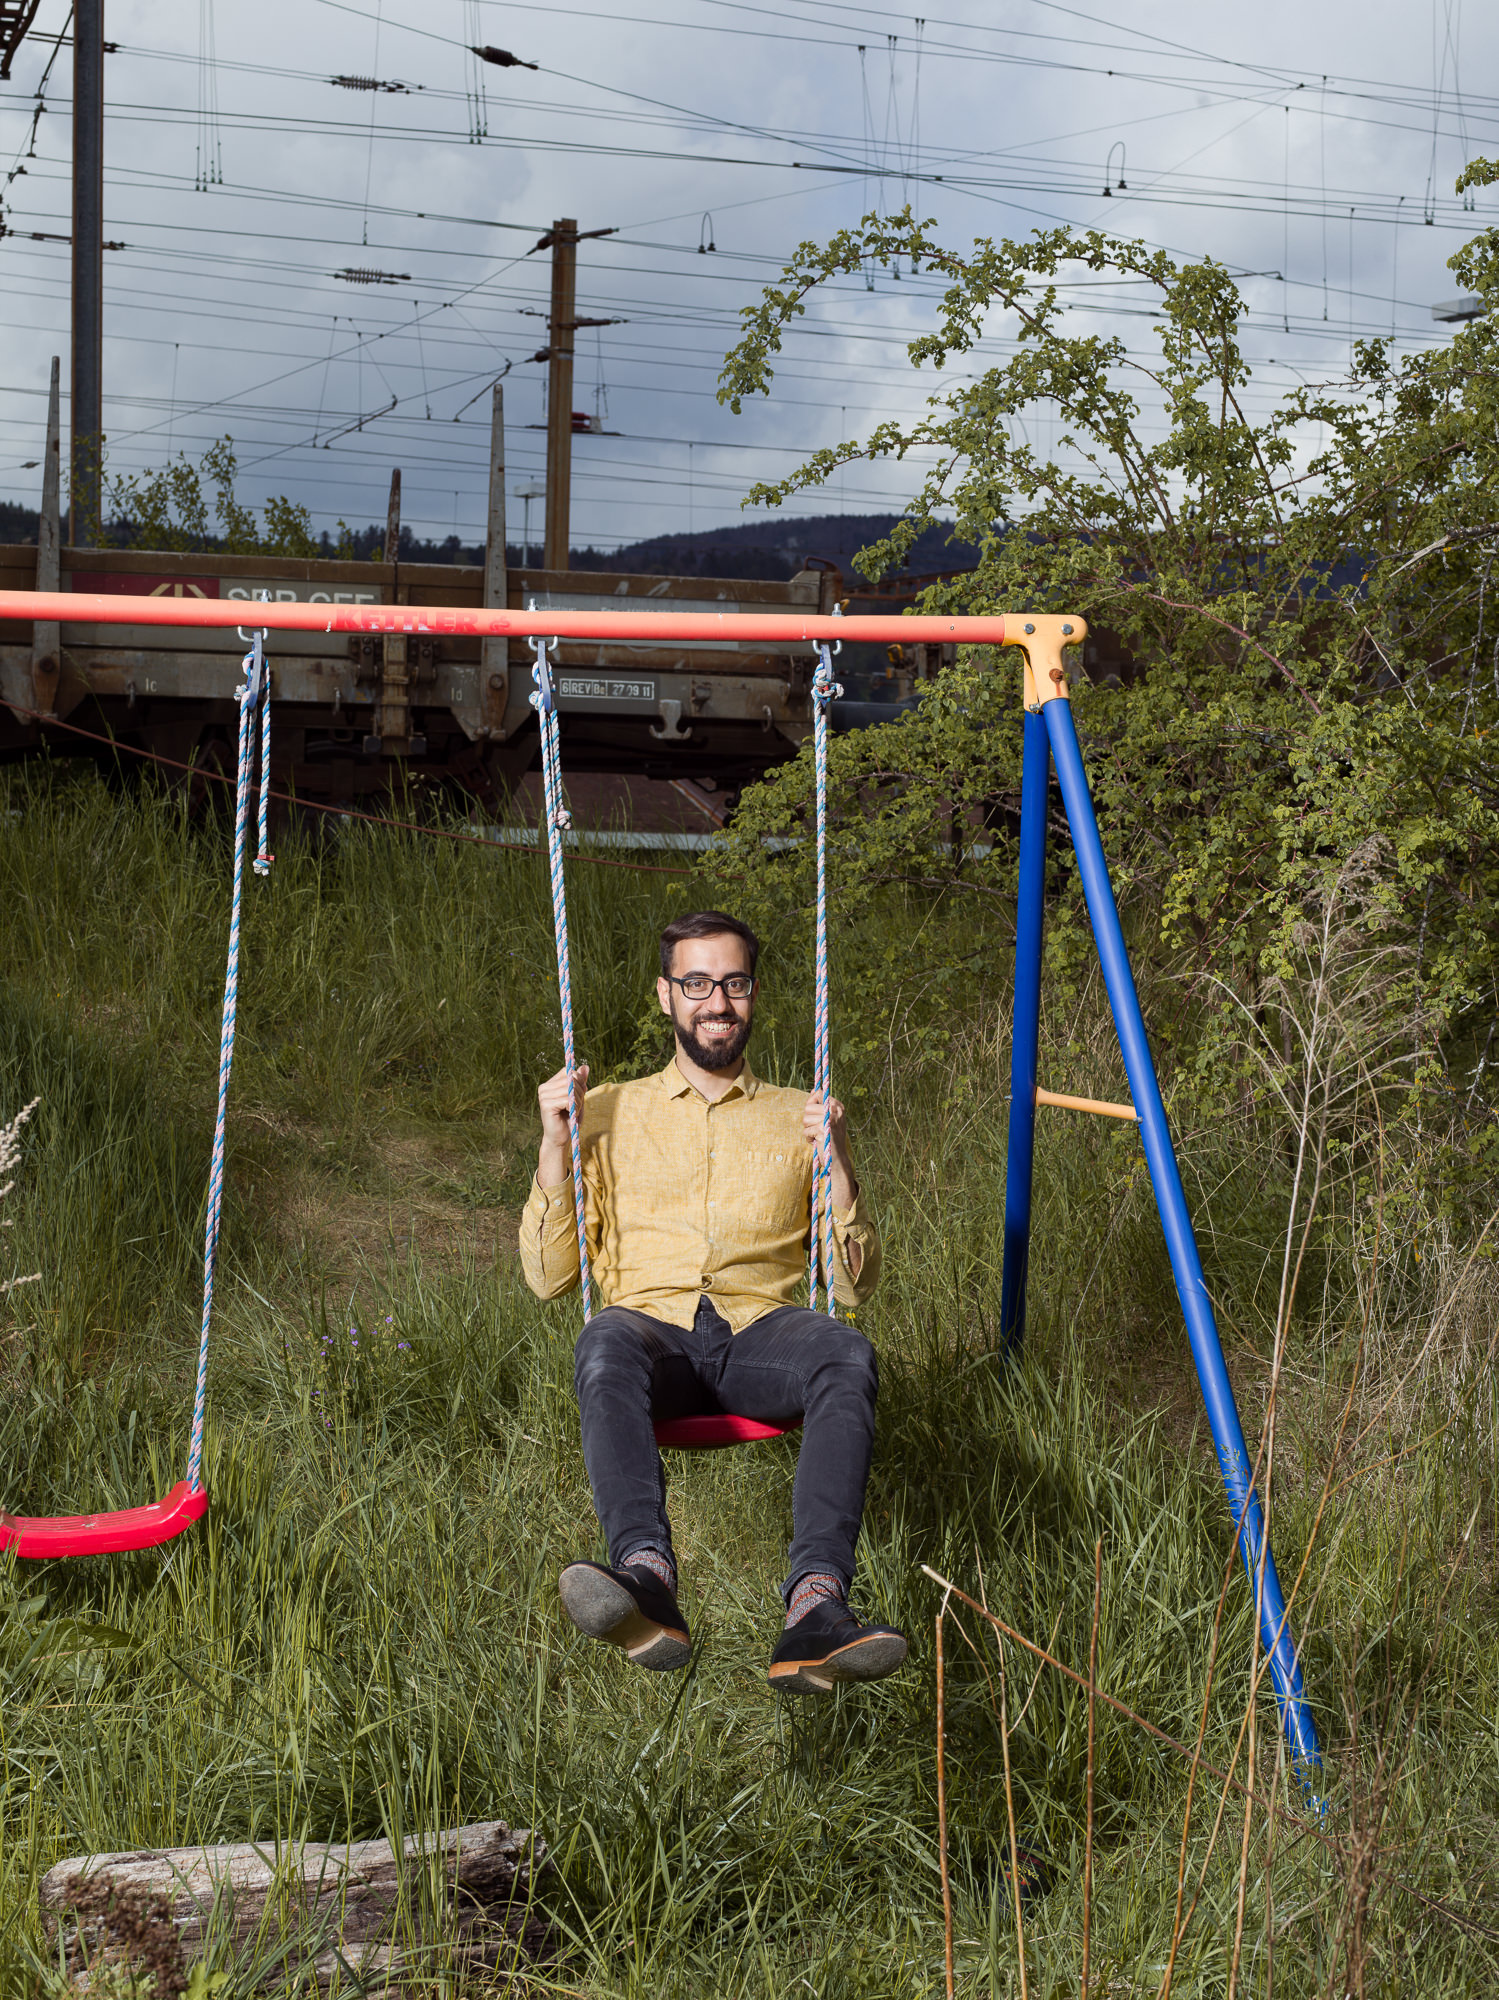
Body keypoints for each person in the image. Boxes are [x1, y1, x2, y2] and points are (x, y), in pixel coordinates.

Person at [519, 909, 908, 1694]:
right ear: (665, 996)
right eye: (696, 984)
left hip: (760, 1335)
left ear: (753, 994)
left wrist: (835, 1160)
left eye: (731, 983)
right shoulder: (603, 1112)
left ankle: (816, 1610)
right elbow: (548, 1277)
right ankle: (645, 1579)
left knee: (844, 1348)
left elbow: (855, 1283)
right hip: (650, 1340)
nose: (716, 1002)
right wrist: (555, 1147)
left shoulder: (801, 1115)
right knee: (604, 1338)